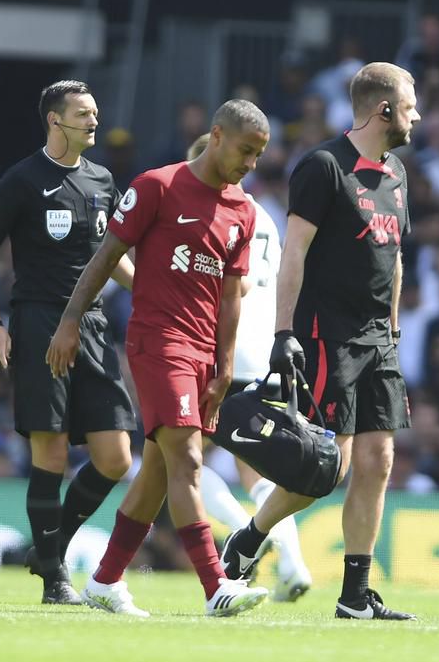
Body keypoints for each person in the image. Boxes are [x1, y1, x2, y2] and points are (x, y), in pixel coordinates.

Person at [45, 99, 272, 618]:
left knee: (156, 471)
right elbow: (106, 255)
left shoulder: (243, 210)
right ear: (217, 136)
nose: (250, 163)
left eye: (258, 155)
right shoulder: (157, 186)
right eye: (245, 150)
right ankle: (216, 586)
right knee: (187, 459)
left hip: (203, 352)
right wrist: (70, 319)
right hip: (158, 342)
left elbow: (231, 296)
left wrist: (225, 366)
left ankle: (105, 580)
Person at [221, 62, 421, 620]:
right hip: (326, 334)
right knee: (328, 468)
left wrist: (394, 328)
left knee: (379, 460)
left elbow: (393, 256)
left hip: (378, 338)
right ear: (383, 109)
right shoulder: (324, 167)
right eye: (410, 107)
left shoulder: (398, 173)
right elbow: (295, 254)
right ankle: (251, 535)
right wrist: (284, 333)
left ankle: (355, 596)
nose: (417, 117)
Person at [0, 80, 137, 605]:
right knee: (52, 449)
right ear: (54, 120)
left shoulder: (103, 180)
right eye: (83, 113)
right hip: (40, 322)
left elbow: (111, 255)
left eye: (95, 112)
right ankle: (55, 581)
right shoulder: (22, 179)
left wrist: (149, 290)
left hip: (94, 325)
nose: (93, 121)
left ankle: (48, 547)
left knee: (116, 457)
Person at [184, 133, 313, 603]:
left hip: (220, 351)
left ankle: (248, 536)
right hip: (265, 352)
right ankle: (292, 564)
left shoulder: (208, 212)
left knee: (177, 457)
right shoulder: (266, 215)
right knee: (258, 469)